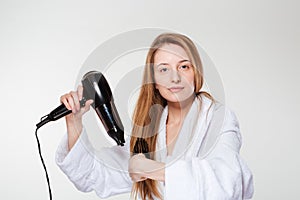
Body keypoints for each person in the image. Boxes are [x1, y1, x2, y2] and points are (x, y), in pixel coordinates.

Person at [56, 33, 254, 200]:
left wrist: (153, 169)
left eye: (184, 67)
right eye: (164, 69)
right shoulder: (149, 128)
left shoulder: (219, 119)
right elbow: (94, 175)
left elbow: (228, 184)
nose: (174, 78)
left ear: (196, 73)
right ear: (155, 81)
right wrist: (74, 121)